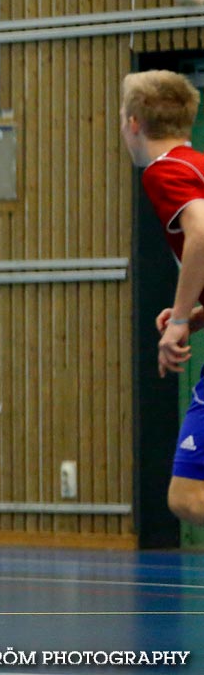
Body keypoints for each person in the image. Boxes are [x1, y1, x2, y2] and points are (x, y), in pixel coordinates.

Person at [121, 70, 204, 526]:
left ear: (133, 123)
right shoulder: (199, 165)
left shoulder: (165, 171)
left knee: (188, 497)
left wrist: (177, 322)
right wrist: (196, 313)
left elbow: (202, 234)